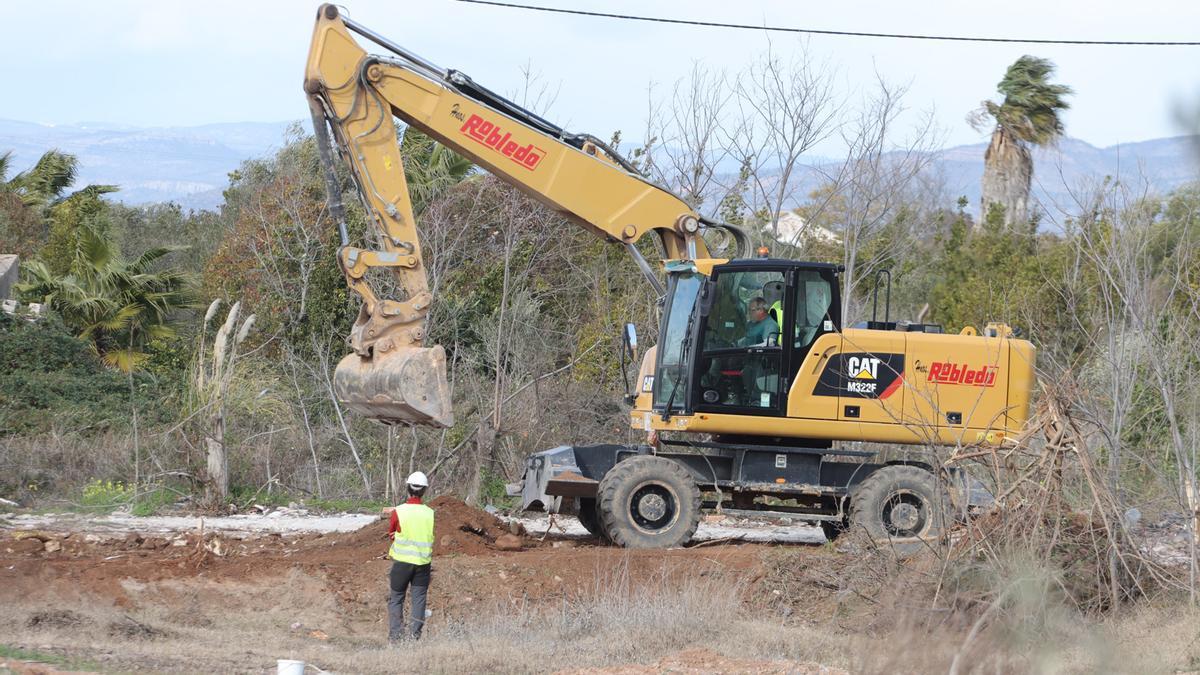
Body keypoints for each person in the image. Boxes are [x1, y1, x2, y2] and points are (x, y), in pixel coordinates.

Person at [387, 471, 435, 642]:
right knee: (419, 600)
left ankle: (396, 637)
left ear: (407, 488)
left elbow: (392, 533)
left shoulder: (399, 511)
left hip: (402, 564)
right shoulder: (430, 513)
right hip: (423, 564)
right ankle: (414, 637)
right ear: (424, 490)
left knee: (396, 599)